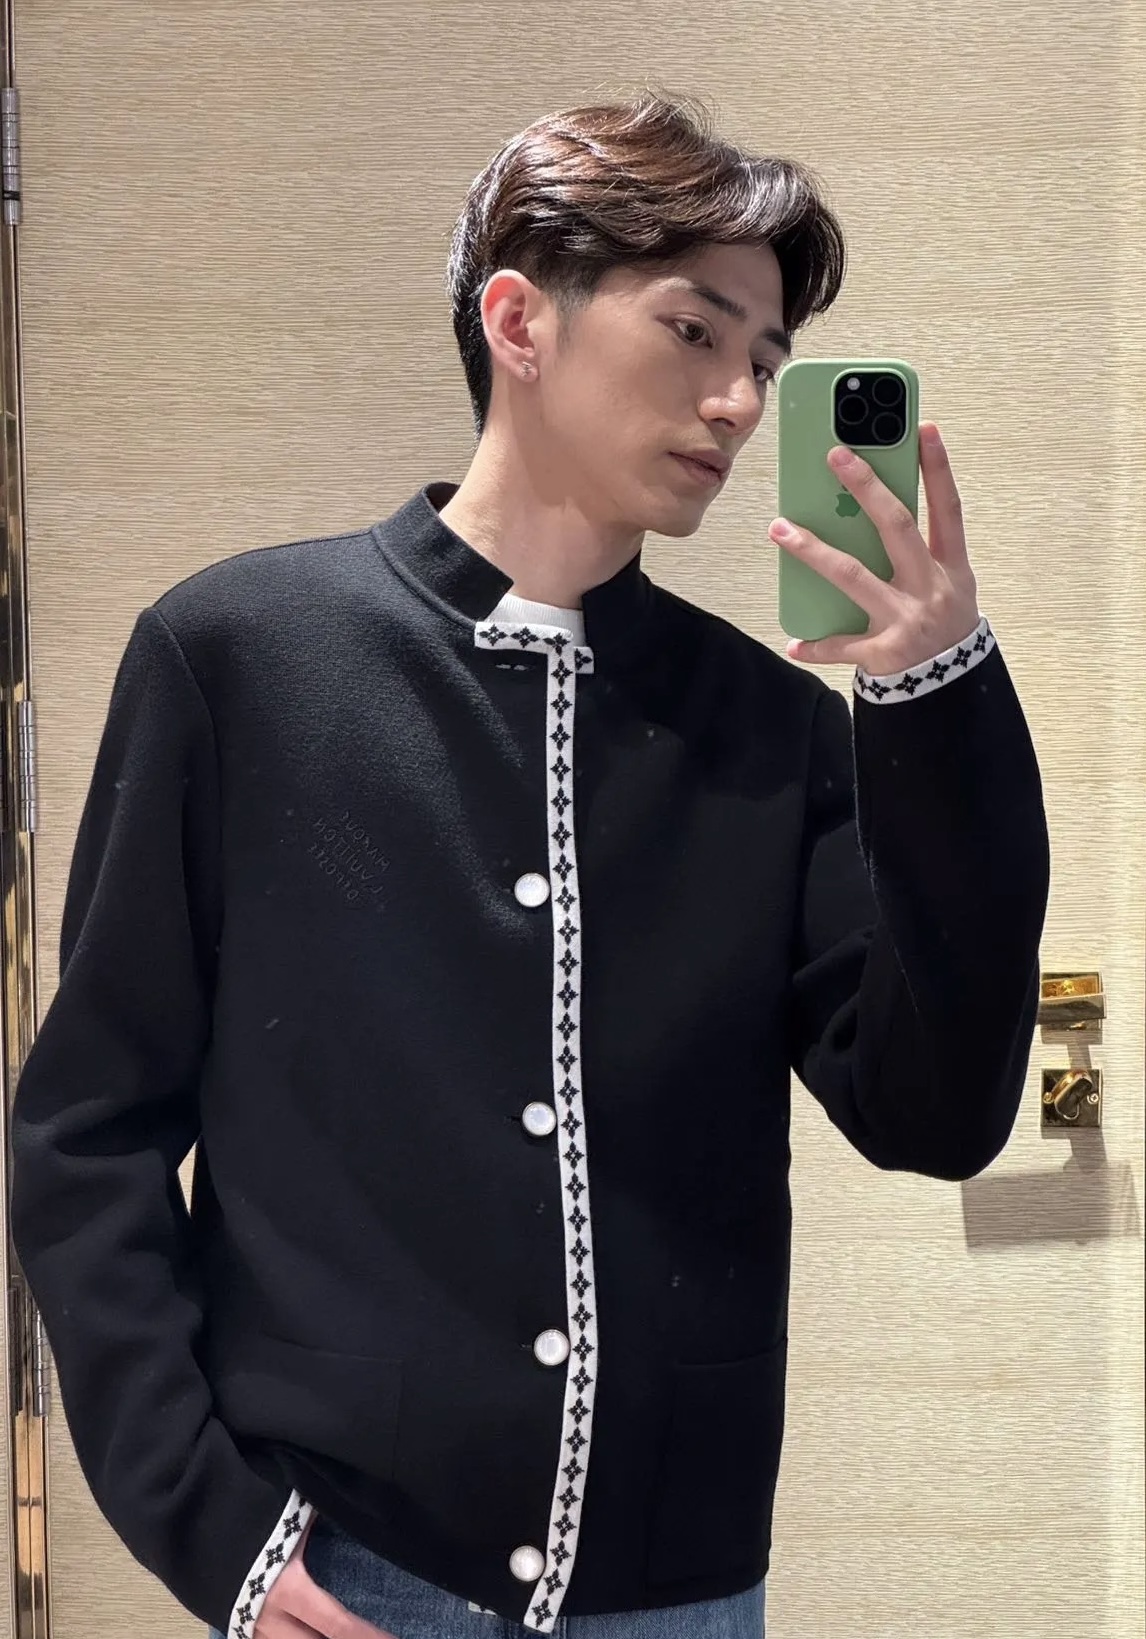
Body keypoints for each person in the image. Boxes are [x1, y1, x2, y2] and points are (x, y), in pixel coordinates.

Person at [9, 88, 1050, 1639]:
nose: (737, 404)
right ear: (518, 322)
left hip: (674, 1587)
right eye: (693, 333)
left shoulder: (767, 727)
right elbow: (86, 1135)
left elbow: (934, 1114)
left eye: (766, 364)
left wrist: (936, 698)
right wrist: (207, 1525)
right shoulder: (239, 659)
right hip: (346, 1567)